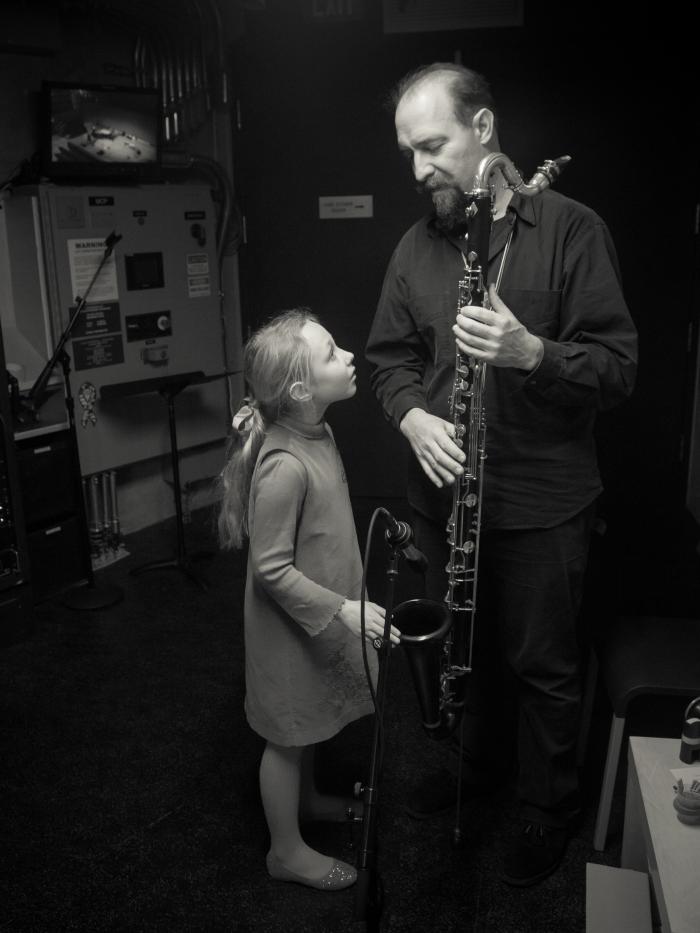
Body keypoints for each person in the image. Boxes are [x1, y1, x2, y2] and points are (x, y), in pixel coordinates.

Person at [365, 63, 637, 886]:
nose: (419, 170)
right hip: (446, 499)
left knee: (542, 666)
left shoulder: (571, 229)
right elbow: (388, 361)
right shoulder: (416, 245)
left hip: (544, 502)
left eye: (434, 145)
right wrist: (411, 413)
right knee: (464, 655)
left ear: (483, 129)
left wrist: (532, 353)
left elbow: (619, 369)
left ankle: (545, 806)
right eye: (408, 152)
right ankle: (474, 775)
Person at [219, 308, 400, 892]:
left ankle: (313, 802)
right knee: (287, 735)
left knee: (312, 721)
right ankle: (286, 851)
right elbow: (270, 568)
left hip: (317, 614)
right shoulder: (284, 465)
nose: (348, 356)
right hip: (290, 625)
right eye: (331, 353)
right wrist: (344, 609)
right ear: (300, 390)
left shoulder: (318, 430)